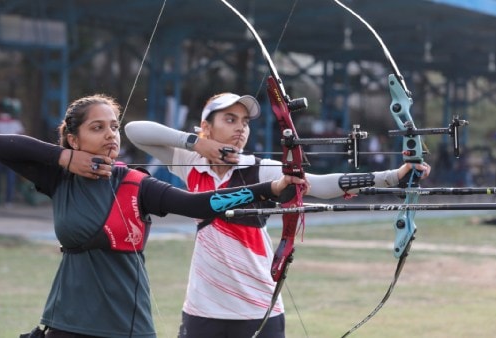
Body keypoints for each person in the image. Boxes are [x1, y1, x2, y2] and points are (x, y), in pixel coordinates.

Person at [0, 94, 303, 338]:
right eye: (97, 128)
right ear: (74, 138)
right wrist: (65, 158)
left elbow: (199, 206)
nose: (112, 134)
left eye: (113, 126)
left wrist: (270, 188)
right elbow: (0, 145)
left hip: (129, 325)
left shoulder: (135, 184)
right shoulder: (60, 180)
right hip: (66, 320)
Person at [124, 92, 431, 338]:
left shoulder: (260, 169)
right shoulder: (191, 161)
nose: (240, 128)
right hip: (203, 308)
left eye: (244, 122)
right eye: (229, 119)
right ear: (207, 127)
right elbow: (134, 131)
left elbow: (322, 185)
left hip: (259, 307)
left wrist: (392, 176)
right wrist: (195, 143)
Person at [0, 100, 25, 206]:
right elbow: (21, 136)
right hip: (12, 154)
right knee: (10, 178)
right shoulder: (15, 122)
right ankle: (9, 200)